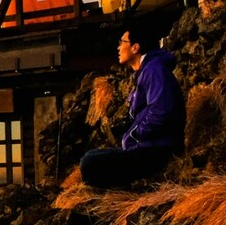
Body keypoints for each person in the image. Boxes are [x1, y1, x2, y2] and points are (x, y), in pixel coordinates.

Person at [78, 24, 185, 189]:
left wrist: (135, 135)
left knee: (89, 163)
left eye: (122, 42)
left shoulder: (154, 70)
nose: (118, 47)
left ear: (135, 47)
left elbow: (162, 111)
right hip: (148, 146)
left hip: (157, 149)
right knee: (91, 156)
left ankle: (129, 190)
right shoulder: (145, 71)